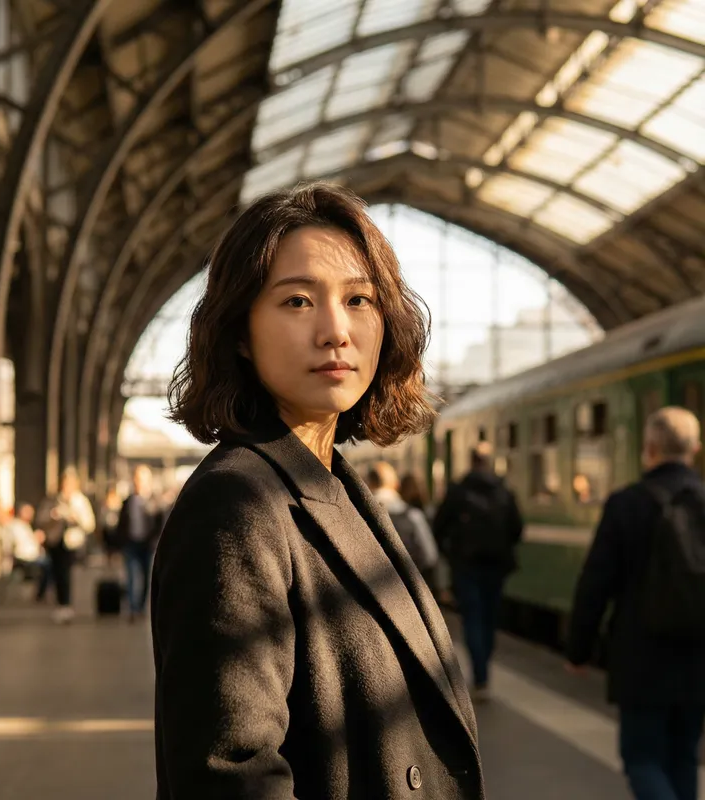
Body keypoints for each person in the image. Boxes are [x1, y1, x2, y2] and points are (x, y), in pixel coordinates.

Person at [151, 183, 483, 799]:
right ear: (240, 333)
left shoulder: (334, 486)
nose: (336, 330)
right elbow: (231, 771)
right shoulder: (237, 505)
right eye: (298, 301)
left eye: (359, 299)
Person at [566, 407, 705, 800]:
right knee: (683, 757)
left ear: (649, 448)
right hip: (698, 658)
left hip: (642, 658)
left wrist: (579, 650)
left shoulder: (627, 504)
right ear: (694, 448)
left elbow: (595, 584)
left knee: (642, 759)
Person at [433, 441, 523, 702]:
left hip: (467, 567)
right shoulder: (504, 492)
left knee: (473, 618)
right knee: (489, 619)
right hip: (497, 567)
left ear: (470, 462)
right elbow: (517, 529)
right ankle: (485, 670)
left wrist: (451, 556)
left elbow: (439, 528)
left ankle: (480, 677)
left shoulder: (458, 492)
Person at [366, 461, 439, 592]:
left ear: (369, 484)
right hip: (407, 590)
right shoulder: (413, 515)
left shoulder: (359, 515)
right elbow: (430, 556)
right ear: (395, 485)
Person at [36, 467, 96, 624]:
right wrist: (52, 518)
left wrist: (75, 518)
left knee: (66, 573)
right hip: (55, 541)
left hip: (72, 542)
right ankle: (61, 603)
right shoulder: (53, 500)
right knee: (56, 572)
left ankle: (66, 604)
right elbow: (41, 520)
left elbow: (90, 524)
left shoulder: (80, 501)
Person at [117, 464, 162, 621]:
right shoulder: (127, 501)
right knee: (130, 576)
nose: (138, 482)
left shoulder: (154, 501)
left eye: (142, 479)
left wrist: (153, 539)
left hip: (146, 544)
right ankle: (132, 608)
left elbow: (159, 523)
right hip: (130, 543)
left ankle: (141, 605)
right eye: (136, 478)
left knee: (144, 576)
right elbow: (120, 523)